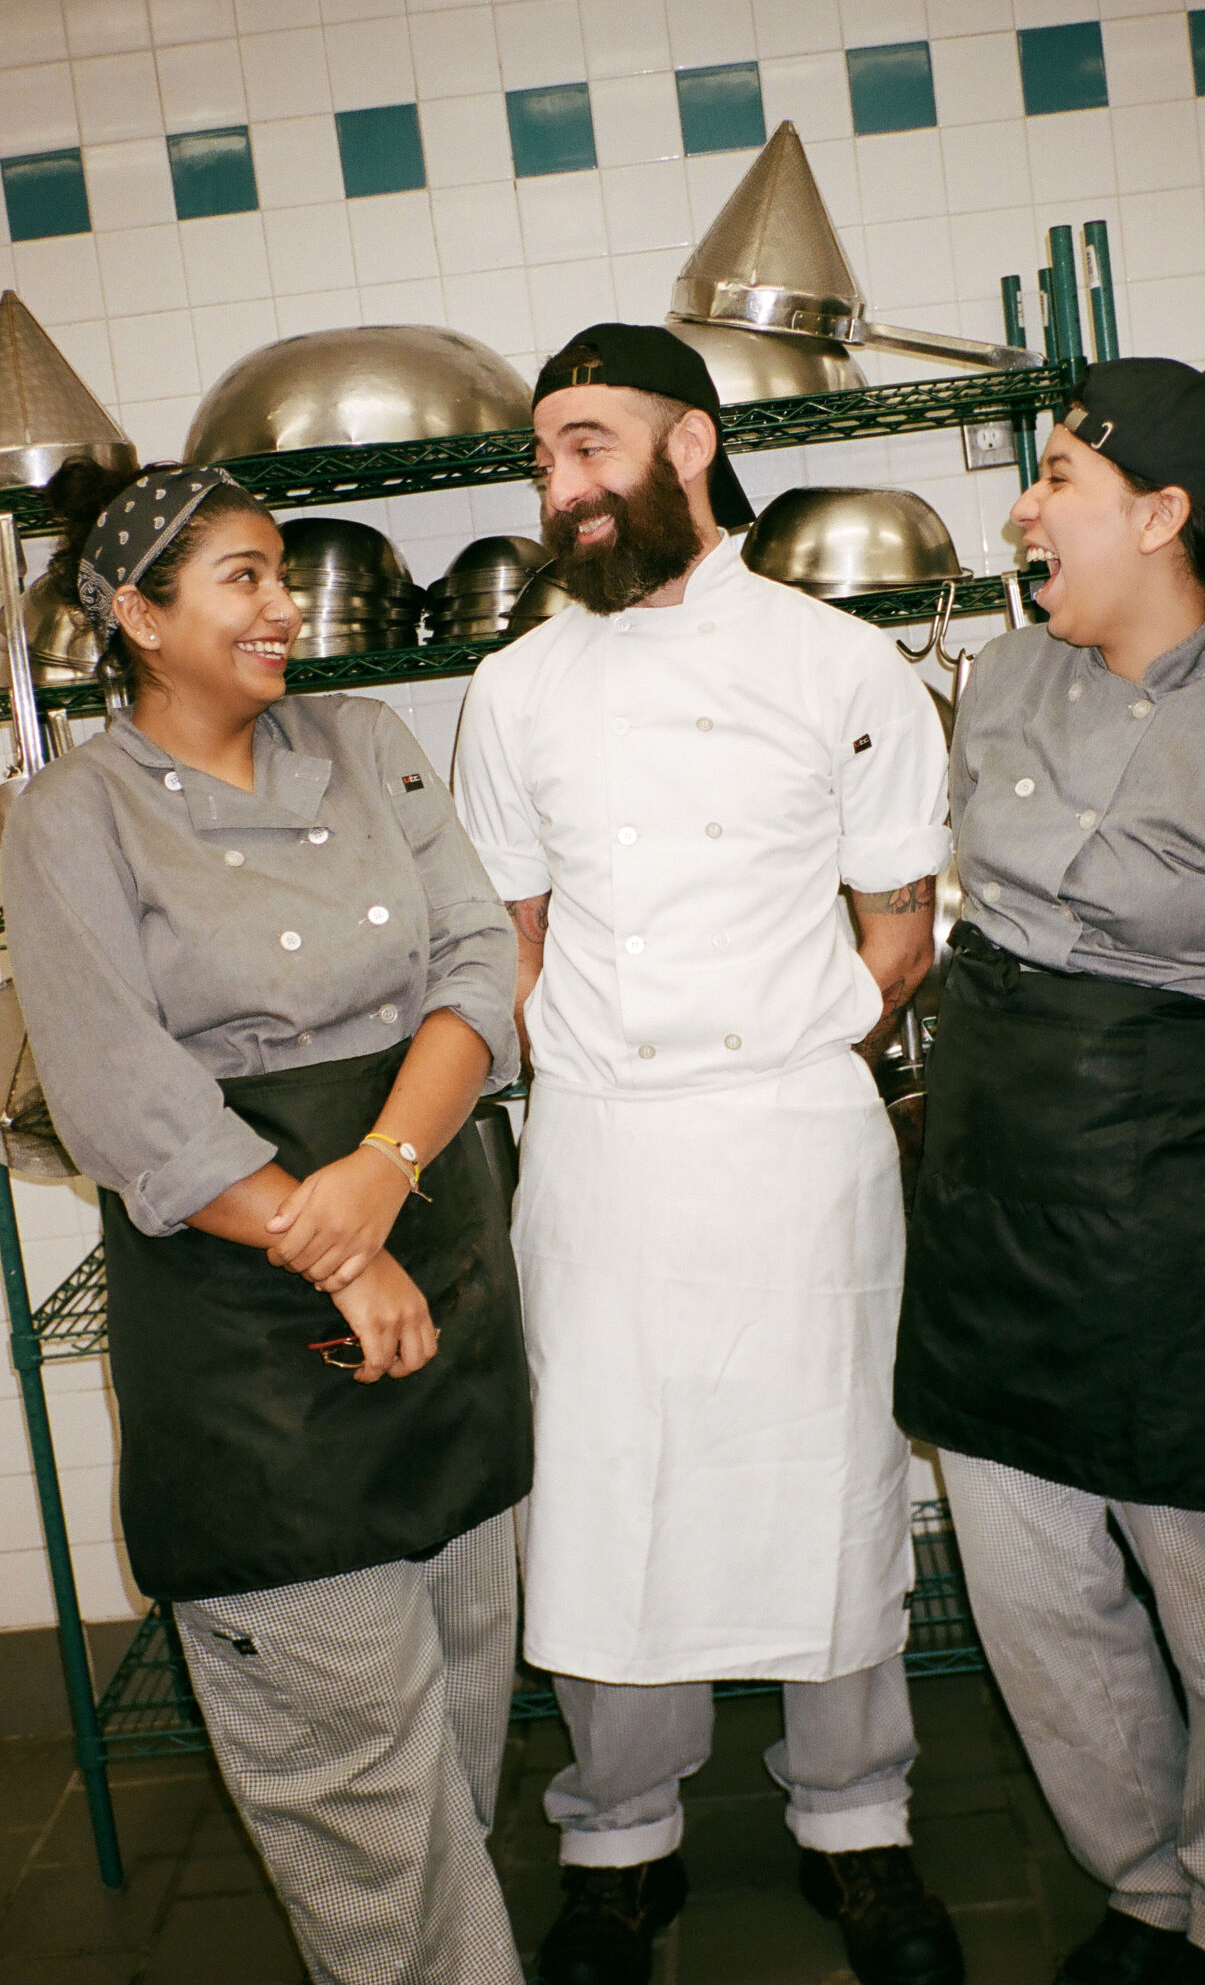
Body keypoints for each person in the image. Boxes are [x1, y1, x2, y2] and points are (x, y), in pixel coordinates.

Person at [456, 323, 962, 1985]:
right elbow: (512, 946)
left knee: (829, 1482)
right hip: (603, 1151)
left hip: (795, 1147)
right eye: (544, 459)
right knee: (612, 1497)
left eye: (588, 447)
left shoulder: (839, 666)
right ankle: (616, 1840)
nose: (562, 488)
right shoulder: (513, 687)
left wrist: (800, 1045)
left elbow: (903, 925)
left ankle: (856, 1821)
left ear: (689, 446)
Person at [894, 359, 1205, 1985]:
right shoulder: (1005, 681)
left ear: (1163, 514)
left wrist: (1182, 1158)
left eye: (1055, 475)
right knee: (1039, 1599)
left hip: (1169, 1220)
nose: (1024, 506)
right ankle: (1143, 1886)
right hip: (991, 1203)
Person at [3, 460, 533, 1985]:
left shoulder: (367, 743)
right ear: (134, 616)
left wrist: (377, 1181)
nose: (283, 603)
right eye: (240, 576)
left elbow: (475, 970)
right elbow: (119, 1094)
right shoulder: (72, 813)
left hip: (432, 1253)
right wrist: (331, 1238)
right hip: (242, 1327)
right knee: (354, 1778)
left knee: (461, 1718)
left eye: (280, 572)